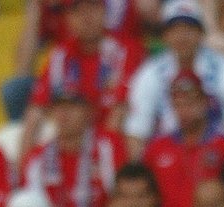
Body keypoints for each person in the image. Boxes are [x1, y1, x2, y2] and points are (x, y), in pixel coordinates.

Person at [123, 0, 224, 160]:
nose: (181, 37)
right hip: (168, 157)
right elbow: (137, 131)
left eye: (189, 29)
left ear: (201, 33)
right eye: (175, 30)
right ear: (165, 35)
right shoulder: (151, 73)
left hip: (217, 156)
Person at [20, 0, 144, 158]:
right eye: (76, 10)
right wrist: (24, 168)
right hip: (71, 134)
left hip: (110, 139)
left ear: (104, 10)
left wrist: (100, 153)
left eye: (92, 6)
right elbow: (36, 110)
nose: (86, 16)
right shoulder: (61, 54)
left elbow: (119, 111)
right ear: (67, 18)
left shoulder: (125, 50)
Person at [140, 70, 224, 207]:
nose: (184, 111)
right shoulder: (157, 147)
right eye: (178, 105)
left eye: (190, 103)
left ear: (204, 102)